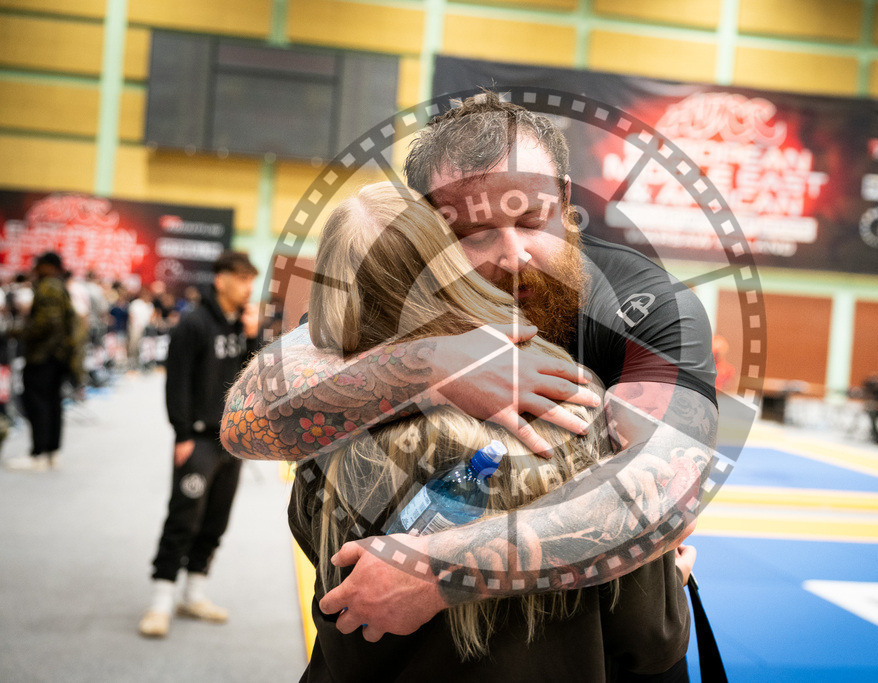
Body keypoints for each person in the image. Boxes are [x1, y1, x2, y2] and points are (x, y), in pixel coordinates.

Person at [223, 93, 717, 679]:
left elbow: (666, 489)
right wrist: (431, 368)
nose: (514, 254)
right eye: (474, 233)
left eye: (532, 220)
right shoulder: (390, 302)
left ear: (564, 201)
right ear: (425, 228)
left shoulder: (649, 307)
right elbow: (247, 422)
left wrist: (441, 571)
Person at [291, 182, 651, 678]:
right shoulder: (574, 394)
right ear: (453, 268)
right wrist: (667, 579)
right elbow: (649, 638)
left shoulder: (321, 420)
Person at [138, 251, 260, 638]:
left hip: (233, 442)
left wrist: (254, 336)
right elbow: (176, 383)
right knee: (184, 516)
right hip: (199, 438)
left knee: (216, 519)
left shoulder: (243, 324)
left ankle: (194, 593)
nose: (248, 288)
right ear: (221, 280)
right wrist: (182, 434)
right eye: (242, 279)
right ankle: (161, 600)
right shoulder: (193, 323)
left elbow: (257, 379)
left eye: (251, 280)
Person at [5, 252, 81, 472]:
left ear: (48, 266)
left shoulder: (49, 286)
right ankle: (50, 452)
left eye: (38, 265)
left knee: (38, 404)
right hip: (56, 357)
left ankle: (39, 453)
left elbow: (47, 323)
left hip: (44, 357)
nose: (34, 269)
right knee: (52, 404)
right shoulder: (59, 286)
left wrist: (18, 332)